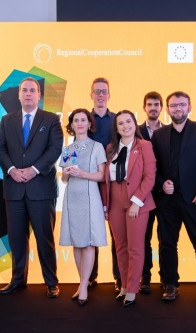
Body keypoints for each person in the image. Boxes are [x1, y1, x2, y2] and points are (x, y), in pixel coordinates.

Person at [151, 91, 196, 308]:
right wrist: (162, 183)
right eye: (173, 106)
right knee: (167, 244)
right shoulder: (159, 134)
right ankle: (170, 284)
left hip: (195, 199)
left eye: (182, 105)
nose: (177, 109)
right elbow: (154, 168)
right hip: (167, 201)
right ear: (168, 109)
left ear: (189, 107)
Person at [0, 77, 63, 298]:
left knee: (44, 237)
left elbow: (55, 150)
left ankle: (51, 282)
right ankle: (17, 280)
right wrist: (12, 169)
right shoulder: (6, 120)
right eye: (24, 90)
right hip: (14, 189)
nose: (28, 94)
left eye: (32, 90)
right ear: (18, 94)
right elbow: (0, 148)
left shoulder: (51, 119)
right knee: (16, 238)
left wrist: (33, 170)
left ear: (39, 95)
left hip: (41, 189)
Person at [101, 110, 156, 307]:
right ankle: (124, 285)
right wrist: (106, 204)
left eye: (128, 122)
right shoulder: (110, 148)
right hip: (115, 200)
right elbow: (105, 179)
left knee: (135, 248)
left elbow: (150, 176)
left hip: (137, 201)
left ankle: (132, 289)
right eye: (121, 123)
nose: (125, 126)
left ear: (135, 124)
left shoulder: (145, 146)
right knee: (120, 247)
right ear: (116, 128)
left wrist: (136, 202)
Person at [59, 109, 107, 306]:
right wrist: (68, 173)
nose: (79, 123)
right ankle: (82, 283)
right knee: (76, 242)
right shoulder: (67, 149)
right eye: (76, 120)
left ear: (89, 124)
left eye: (83, 120)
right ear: (71, 125)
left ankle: (84, 285)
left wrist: (83, 173)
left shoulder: (97, 147)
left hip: (89, 197)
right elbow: (63, 179)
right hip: (72, 198)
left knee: (88, 242)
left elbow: (102, 176)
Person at [88, 77, 120, 292]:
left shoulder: (118, 120)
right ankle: (90, 277)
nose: (100, 95)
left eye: (104, 91)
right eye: (97, 91)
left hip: (114, 183)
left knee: (117, 232)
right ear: (91, 95)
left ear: (109, 95)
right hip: (89, 182)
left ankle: (120, 278)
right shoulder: (83, 118)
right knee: (90, 232)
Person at [138, 91, 165, 294]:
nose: (153, 107)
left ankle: (166, 278)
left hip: (164, 194)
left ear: (161, 107)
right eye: (150, 104)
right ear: (144, 108)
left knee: (165, 237)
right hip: (143, 194)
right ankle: (145, 276)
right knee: (143, 237)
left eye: (157, 104)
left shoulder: (169, 131)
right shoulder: (136, 131)